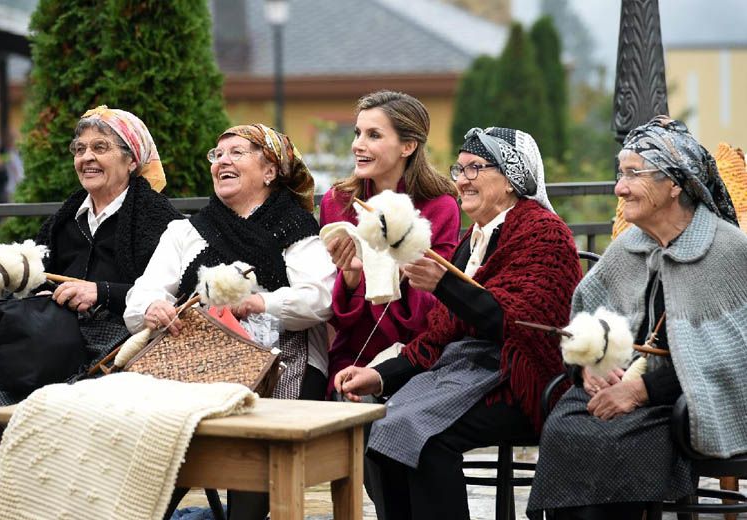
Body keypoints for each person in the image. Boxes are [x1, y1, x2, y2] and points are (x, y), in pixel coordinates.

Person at [334, 127, 582, 520]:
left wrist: (445, 285)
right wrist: (380, 376)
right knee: (374, 427)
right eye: (459, 169)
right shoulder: (475, 238)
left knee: (424, 437)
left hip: (521, 378)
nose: (462, 180)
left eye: (475, 168)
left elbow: (521, 327)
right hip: (464, 372)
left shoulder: (544, 233)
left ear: (511, 178)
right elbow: (439, 336)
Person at [0, 105, 182, 519]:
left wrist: (101, 292)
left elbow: (172, 295)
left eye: (100, 147)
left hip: (120, 345)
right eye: (80, 149)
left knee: (51, 391)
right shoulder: (69, 217)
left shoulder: (159, 220)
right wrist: (17, 270)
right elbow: (40, 272)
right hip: (59, 339)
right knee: (19, 378)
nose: (87, 157)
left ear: (131, 160)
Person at [527, 116, 747, 520]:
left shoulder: (728, 251)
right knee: (564, 429)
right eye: (620, 173)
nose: (619, 188)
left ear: (675, 183)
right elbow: (582, 326)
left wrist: (641, 391)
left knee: (616, 445)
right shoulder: (627, 248)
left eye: (633, 174)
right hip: (613, 389)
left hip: (683, 403)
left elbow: (733, 359)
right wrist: (586, 367)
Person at [124, 123, 335, 520]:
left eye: (237, 153)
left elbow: (320, 298)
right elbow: (141, 295)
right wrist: (152, 307)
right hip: (194, 363)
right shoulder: (184, 231)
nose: (222, 161)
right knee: (154, 461)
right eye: (217, 155)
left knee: (252, 461)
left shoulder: (297, 228)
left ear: (270, 170)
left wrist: (261, 302)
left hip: (279, 360)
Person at [319, 90, 461, 394]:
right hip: (354, 350)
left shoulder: (440, 207)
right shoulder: (337, 202)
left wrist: (400, 265)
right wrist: (351, 276)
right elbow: (337, 318)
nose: (358, 144)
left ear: (407, 146)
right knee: (339, 395)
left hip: (415, 355)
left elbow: (433, 313)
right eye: (357, 133)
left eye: (373, 135)